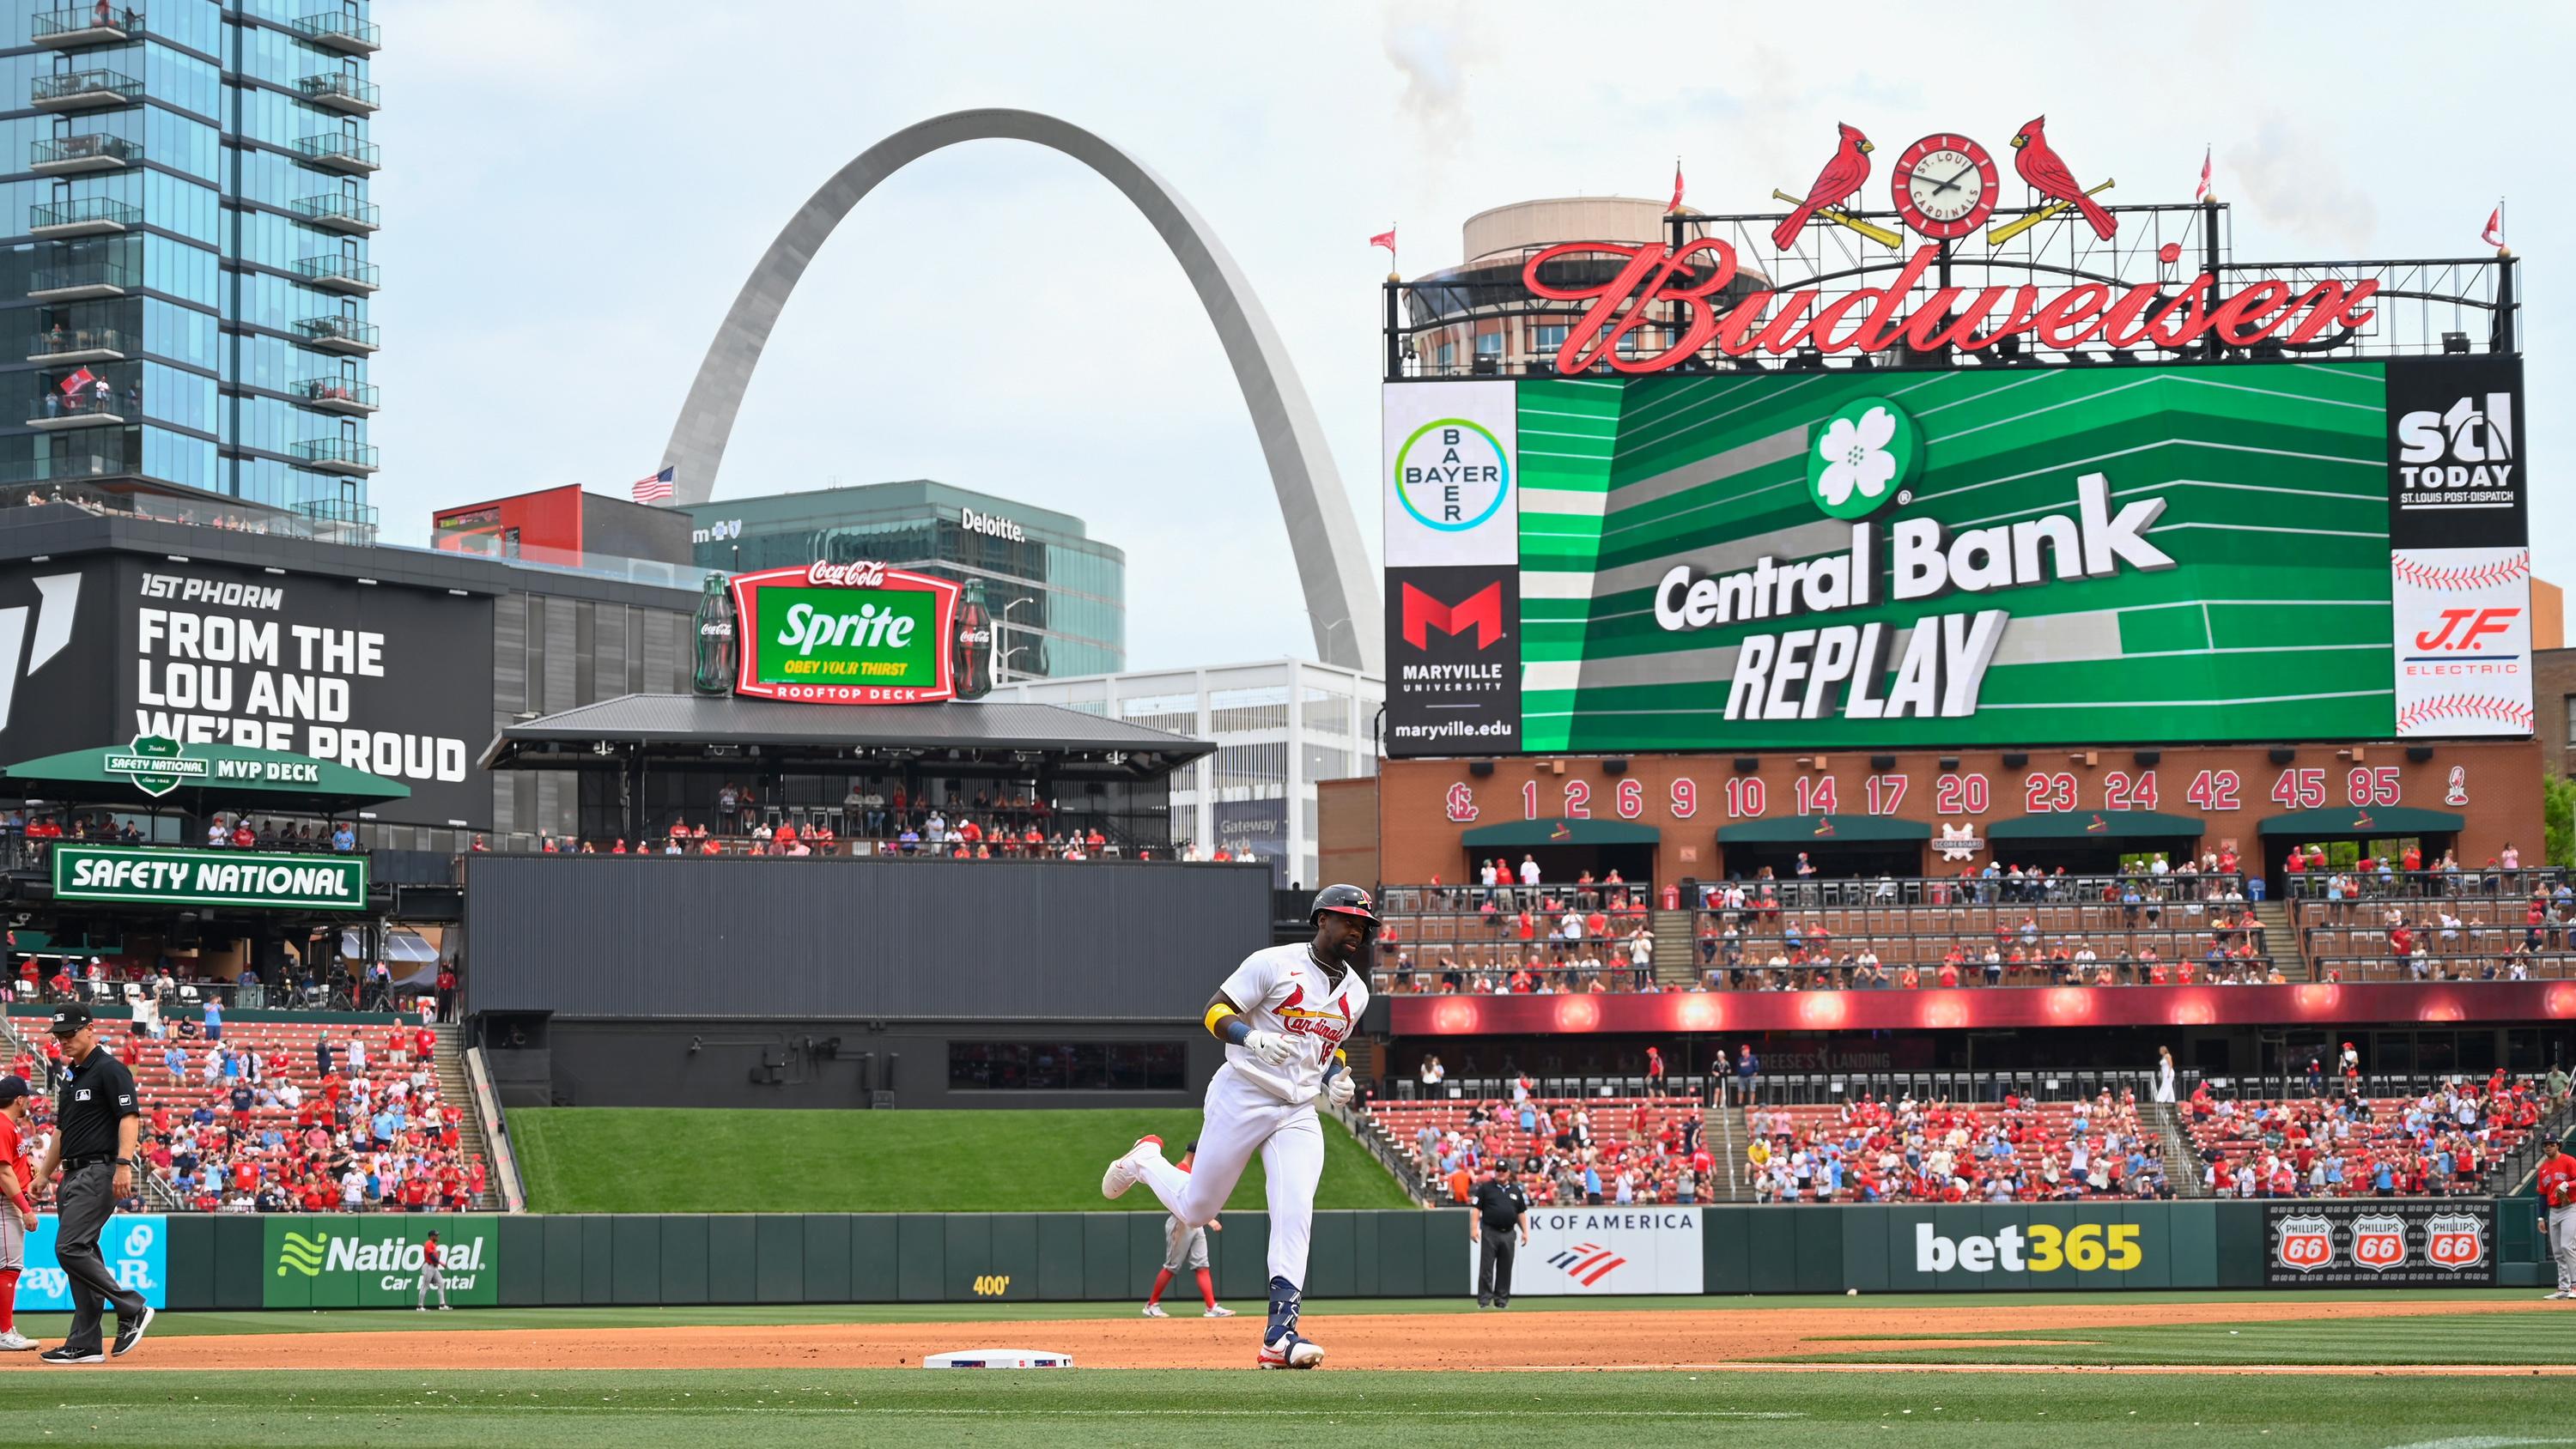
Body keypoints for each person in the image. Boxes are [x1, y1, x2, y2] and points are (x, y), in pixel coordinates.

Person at [1101, 884, 1377, 1370]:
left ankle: (1279, 1335)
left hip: (1296, 1110)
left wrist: (1336, 1078)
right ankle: (1146, 1161)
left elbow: (1327, 1046)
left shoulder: (1357, 991)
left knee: (1295, 1210)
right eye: (1347, 919)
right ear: (1320, 920)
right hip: (1243, 1092)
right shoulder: (1273, 962)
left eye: (1363, 923)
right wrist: (1251, 1038)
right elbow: (1212, 1011)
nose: (1356, 928)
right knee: (1197, 1206)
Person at [29, 1006, 149, 1362]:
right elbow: (61, 1132)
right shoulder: (71, 1076)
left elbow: (129, 1117)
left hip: (99, 1169)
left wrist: (123, 1165)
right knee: (81, 1252)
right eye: (59, 1035)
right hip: (71, 1173)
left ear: (90, 1030)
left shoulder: (109, 1069)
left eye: (69, 1033)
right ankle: (85, 1343)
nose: (63, 1040)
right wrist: (43, 1174)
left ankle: (132, 1307)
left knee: (69, 1248)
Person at [1140, 1143, 1231, 1319]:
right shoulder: (1179, 1170)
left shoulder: (1192, 1173)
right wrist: (1210, 1221)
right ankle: (1151, 1305)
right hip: (1180, 1223)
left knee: (1202, 1265)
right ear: (1193, 1154)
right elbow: (1183, 1204)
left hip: (1196, 1223)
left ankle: (1211, 1307)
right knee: (1172, 1266)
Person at [0, 1076, 37, 1351]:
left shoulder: (8, 1125)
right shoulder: (2, 1124)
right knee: (9, 1268)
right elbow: (3, 1172)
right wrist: (25, 1210)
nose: (29, 1101)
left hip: (9, 1199)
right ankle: (4, 1332)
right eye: (27, 1097)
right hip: (5, 1203)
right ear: (18, 1100)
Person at [1469, 1161, 1531, 1309]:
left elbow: (1520, 1212)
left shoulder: (1515, 1191)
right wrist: (1473, 1228)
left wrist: (1525, 1232)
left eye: (1504, 1170)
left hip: (1509, 1233)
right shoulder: (1486, 1188)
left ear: (1509, 1172)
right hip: (1490, 1231)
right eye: (1498, 1169)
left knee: (1505, 1268)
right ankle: (1484, 1301)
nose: (1501, 1172)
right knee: (1487, 1268)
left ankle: (1501, 1301)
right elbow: (1476, 1209)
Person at [2540, 1131, 2576, 1300]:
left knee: (2567, 1246)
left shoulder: (2569, 1161)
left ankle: (2575, 1286)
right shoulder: (2543, 1169)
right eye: (2546, 1145)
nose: (2548, 1147)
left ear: (2558, 1145)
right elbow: (2541, 1194)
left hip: (2570, 1207)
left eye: (2552, 1144)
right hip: (2553, 1211)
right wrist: (2540, 1217)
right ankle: (2563, 1288)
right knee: (2558, 1252)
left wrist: (2567, 1184)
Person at [416, 1229, 451, 1311]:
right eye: (436, 1235)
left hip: (433, 1267)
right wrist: (441, 1263)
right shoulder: (428, 1243)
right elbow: (431, 1256)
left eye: (438, 1235)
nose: (438, 1236)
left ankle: (442, 1305)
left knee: (441, 1283)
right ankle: (420, 1306)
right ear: (431, 1236)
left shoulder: (434, 1245)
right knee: (425, 1286)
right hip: (428, 1266)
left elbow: (434, 1256)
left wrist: (437, 1264)